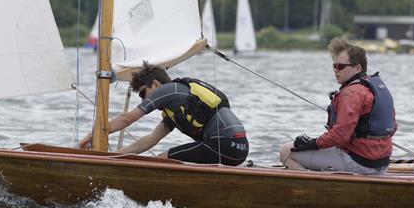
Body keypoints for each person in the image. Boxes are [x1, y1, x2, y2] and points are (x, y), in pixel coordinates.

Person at [79, 62, 249, 166]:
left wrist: (92, 134)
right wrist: (114, 157)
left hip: (225, 144)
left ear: (155, 84)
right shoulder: (174, 110)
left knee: (162, 159)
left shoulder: (169, 90)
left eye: (143, 93)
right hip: (239, 150)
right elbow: (149, 140)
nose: (143, 99)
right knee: (167, 158)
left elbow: (127, 119)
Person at [279, 37, 396, 175]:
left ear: (357, 67)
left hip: (359, 163)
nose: (336, 70)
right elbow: (393, 128)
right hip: (381, 163)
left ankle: (315, 189)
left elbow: (340, 136)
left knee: (286, 151)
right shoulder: (376, 88)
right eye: (334, 66)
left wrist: (311, 143)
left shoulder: (351, 93)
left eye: (340, 66)